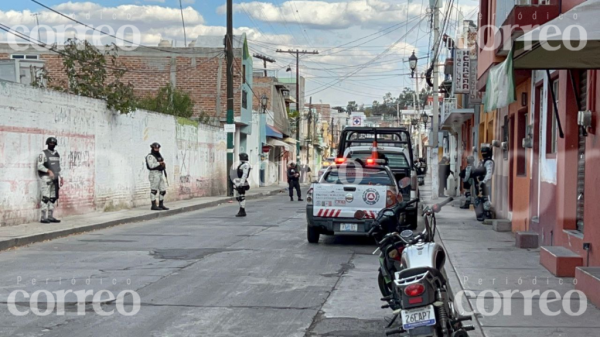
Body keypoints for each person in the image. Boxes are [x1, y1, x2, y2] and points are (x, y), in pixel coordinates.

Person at [37, 137, 64, 223]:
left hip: (55, 178)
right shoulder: (43, 153)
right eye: (50, 144)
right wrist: (48, 171)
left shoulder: (57, 154)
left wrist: (61, 177)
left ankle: (50, 216)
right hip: (46, 178)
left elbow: (58, 167)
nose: (52, 145)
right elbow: (39, 166)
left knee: (53, 197)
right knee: (45, 197)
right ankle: (43, 217)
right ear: (47, 144)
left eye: (53, 144)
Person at [472, 144, 495, 221]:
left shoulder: (489, 162)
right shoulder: (483, 161)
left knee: (485, 199)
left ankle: (486, 214)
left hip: (485, 183)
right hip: (480, 182)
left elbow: (489, 173)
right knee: (480, 198)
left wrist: (484, 182)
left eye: (485, 151)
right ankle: (482, 214)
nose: (483, 153)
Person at [146, 142, 169, 211]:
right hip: (154, 174)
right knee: (154, 190)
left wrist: (163, 165)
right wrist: (159, 163)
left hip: (160, 173)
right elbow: (151, 166)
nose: (157, 149)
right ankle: (153, 205)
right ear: (153, 148)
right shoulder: (150, 156)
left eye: (158, 148)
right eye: (155, 148)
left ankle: (161, 204)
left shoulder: (159, 155)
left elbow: (161, 162)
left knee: (163, 190)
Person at [233, 153, 252, 217]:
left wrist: (241, 183)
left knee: (241, 196)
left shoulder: (245, 165)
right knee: (239, 196)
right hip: (240, 180)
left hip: (242, 181)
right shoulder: (243, 164)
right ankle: (241, 209)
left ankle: (242, 210)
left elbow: (244, 174)